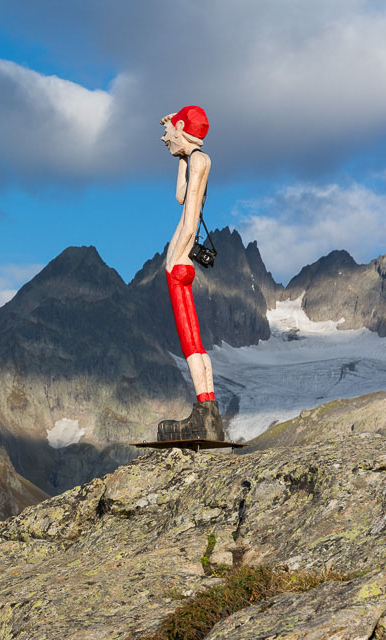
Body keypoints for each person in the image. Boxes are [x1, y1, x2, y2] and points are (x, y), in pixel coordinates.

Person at [156, 105, 224, 441]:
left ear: (182, 126)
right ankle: (209, 408)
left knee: (191, 345)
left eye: (169, 131)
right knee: (195, 342)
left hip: (179, 261)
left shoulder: (200, 161)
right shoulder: (194, 160)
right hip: (184, 259)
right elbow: (180, 195)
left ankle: (204, 413)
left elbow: (191, 211)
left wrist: (177, 253)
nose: (163, 136)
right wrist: (180, 153)